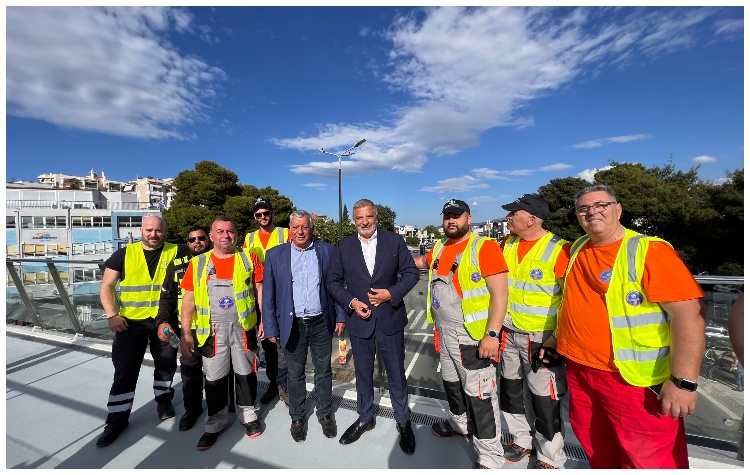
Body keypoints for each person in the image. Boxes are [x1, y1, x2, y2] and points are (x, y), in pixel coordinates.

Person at [546, 184, 706, 469]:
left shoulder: (649, 251)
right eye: (583, 208)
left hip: (632, 380)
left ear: (618, 209)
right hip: (581, 372)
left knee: (647, 459)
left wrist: (684, 382)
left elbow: (689, 316)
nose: (592, 212)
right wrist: (555, 339)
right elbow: (575, 301)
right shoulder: (578, 248)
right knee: (597, 449)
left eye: (601, 205)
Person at [413, 199, 509, 469]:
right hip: (444, 332)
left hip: (472, 336)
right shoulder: (440, 247)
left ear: (468, 218)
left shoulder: (484, 247)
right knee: (452, 385)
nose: (451, 221)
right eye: (447, 216)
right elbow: (420, 261)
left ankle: (490, 456)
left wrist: (492, 334)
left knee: (480, 396)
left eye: (456, 216)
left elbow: (501, 293)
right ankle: (460, 425)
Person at [326, 198, 420, 454]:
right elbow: (332, 282)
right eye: (359, 218)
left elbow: (411, 273)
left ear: (376, 217)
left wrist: (391, 293)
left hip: (390, 319)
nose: (364, 222)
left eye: (369, 216)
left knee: (397, 374)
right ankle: (366, 418)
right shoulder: (344, 246)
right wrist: (352, 302)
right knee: (363, 374)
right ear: (353, 220)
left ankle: (403, 421)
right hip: (360, 321)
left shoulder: (394, 241)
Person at [96, 214, 190, 447]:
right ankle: (116, 420)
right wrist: (112, 315)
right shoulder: (123, 254)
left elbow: (203, 252)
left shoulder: (177, 251)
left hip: (165, 322)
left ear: (165, 231)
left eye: (158, 230)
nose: (153, 234)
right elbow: (106, 286)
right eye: (149, 230)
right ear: (141, 230)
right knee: (125, 371)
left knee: (167, 365)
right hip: (129, 324)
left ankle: (163, 401)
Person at [498, 194, 571, 469]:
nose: (507, 218)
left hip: (542, 338)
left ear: (531, 218)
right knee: (511, 391)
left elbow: (571, 300)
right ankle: (521, 441)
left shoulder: (559, 249)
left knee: (544, 398)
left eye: (513, 213)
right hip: (508, 332)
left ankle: (550, 456)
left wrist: (556, 338)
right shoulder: (506, 244)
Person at [180, 216, 265, 450]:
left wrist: (265, 320)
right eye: (220, 231)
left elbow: (260, 290)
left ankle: (248, 416)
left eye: (230, 231)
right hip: (212, 332)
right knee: (214, 379)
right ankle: (215, 423)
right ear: (211, 236)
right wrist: (186, 333)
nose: (226, 235)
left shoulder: (249, 258)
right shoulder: (198, 263)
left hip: (243, 328)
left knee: (246, 374)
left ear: (237, 234)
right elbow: (188, 300)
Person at [262, 210, 347, 442]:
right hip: (292, 324)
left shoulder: (327, 251)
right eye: (296, 227)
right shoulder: (275, 255)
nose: (300, 231)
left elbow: (337, 285)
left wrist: (341, 316)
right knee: (295, 374)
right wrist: (270, 327)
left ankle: (325, 413)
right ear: (290, 229)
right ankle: (297, 417)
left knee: (324, 371)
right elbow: (268, 295)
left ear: (311, 228)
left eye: (305, 227)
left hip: (321, 322)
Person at [155, 225, 211, 431]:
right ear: (187, 243)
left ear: (209, 239)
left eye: (201, 238)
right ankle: (192, 410)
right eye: (192, 239)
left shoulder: (219, 261)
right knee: (189, 372)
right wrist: (163, 321)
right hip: (187, 330)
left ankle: (219, 407)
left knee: (217, 372)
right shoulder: (177, 265)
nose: (197, 242)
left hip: (213, 328)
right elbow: (167, 296)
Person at [244, 198, 291, 407]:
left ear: (272, 214)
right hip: (260, 296)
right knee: (268, 345)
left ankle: (285, 385)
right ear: (255, 217)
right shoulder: (249, 238)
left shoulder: (286, 233)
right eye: (258, 214)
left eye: (266, 213)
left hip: (282, 296)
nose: (263, 217)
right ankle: (275, 383)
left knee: (283, 344)